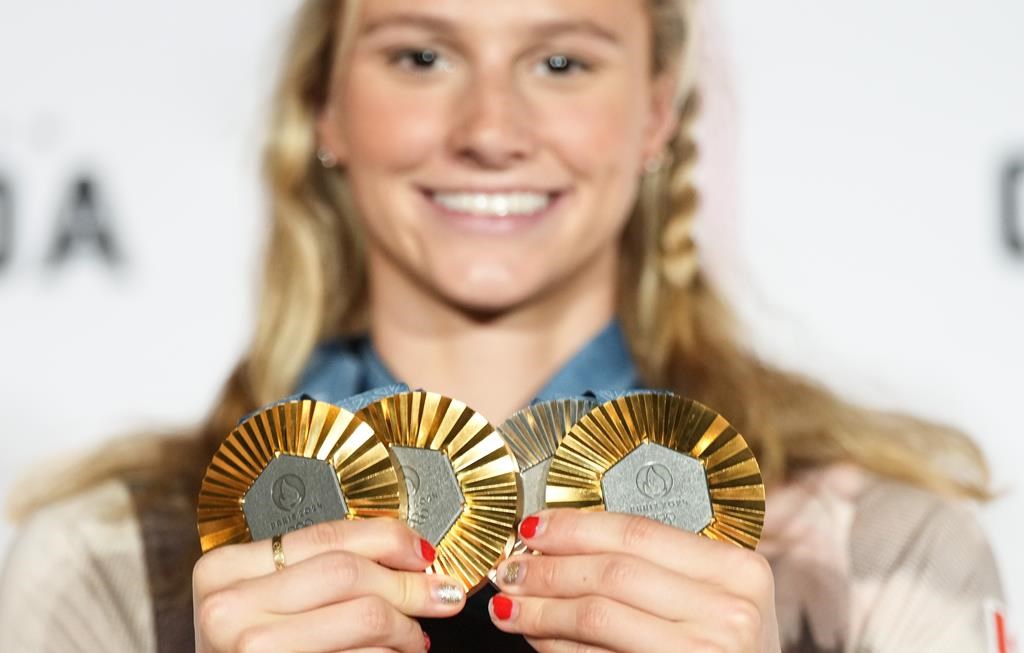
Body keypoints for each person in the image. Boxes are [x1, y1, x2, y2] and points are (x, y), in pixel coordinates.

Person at [0, 0, 1005, 651]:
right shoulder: (108, 557)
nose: (488, 129)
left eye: (560, 61)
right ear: (327, 110)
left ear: (655, 114)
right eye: (422, 55)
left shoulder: (873, 549)